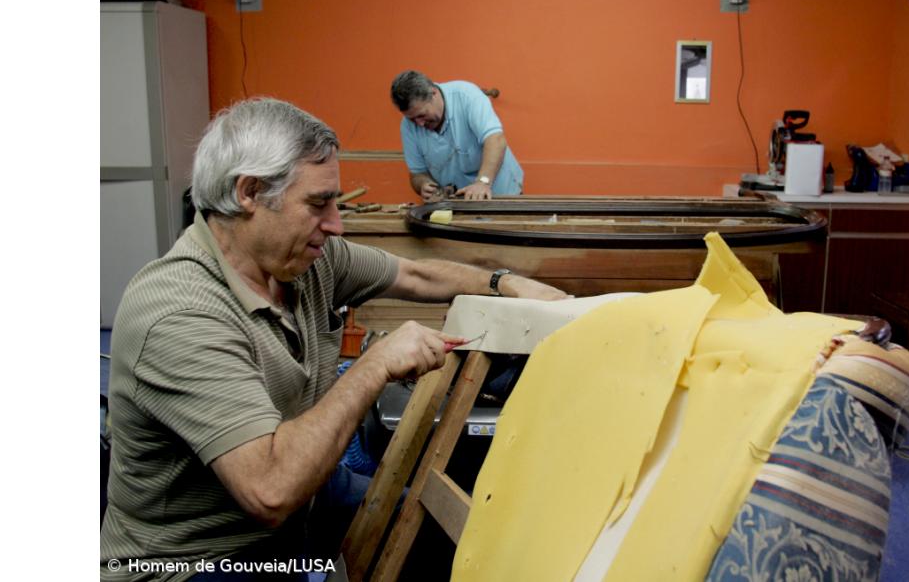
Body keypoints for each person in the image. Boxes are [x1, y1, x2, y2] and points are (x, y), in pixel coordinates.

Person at [100, 97, 567, 581]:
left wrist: (504, 283)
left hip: (310, 499)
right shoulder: (180, 313)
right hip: (199, 557)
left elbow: (416, 275)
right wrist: (374, 365)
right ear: (249, 192)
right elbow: (270, 491)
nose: (336, 225)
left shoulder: (306, 261)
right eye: (318, 203)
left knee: (453, 539)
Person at [390, 70, 523, 201]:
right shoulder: (407, 126)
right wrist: (423, 184)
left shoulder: (467, 96)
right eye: (412, 119)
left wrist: (483, 182)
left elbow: (496, 140)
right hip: (456, 203)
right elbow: (417, 173)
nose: (419, 123)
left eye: (422, 115)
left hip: (500, 194)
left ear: (433, 93)